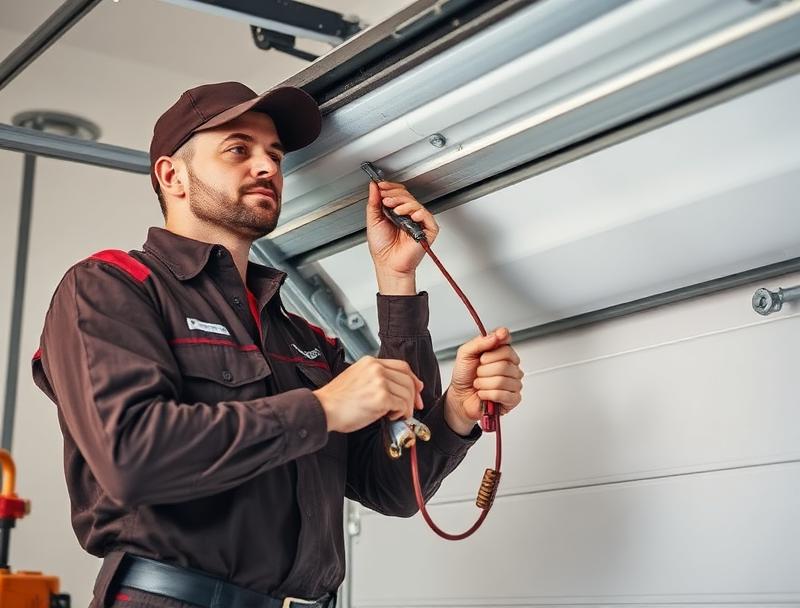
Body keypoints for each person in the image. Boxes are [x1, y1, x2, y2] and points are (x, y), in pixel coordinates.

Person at [32, 82, 523, 608]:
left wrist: (452, 408)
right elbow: (131, 456)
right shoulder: (110, 287)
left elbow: (397, 487)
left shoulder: (302, 339)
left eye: (274, 156)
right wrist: (321, 407)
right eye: (238, 150)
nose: (266, 168)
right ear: (172, 175)